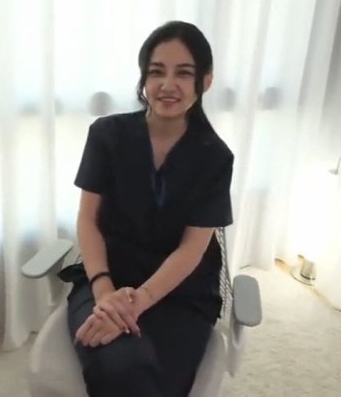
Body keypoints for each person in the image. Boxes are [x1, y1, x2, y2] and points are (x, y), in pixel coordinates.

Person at [63, 20, 234, 397]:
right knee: (120, 365)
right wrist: (105, 292)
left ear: (205, 81)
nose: (167, 85)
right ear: (143, 78)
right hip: (107, 275)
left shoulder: (215, 158)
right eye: (157, 72)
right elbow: (88, 221)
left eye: (183, 73)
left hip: (179, 291)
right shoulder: (107, 135)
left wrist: (138, 302)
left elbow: (192, 249)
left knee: (155, 378)